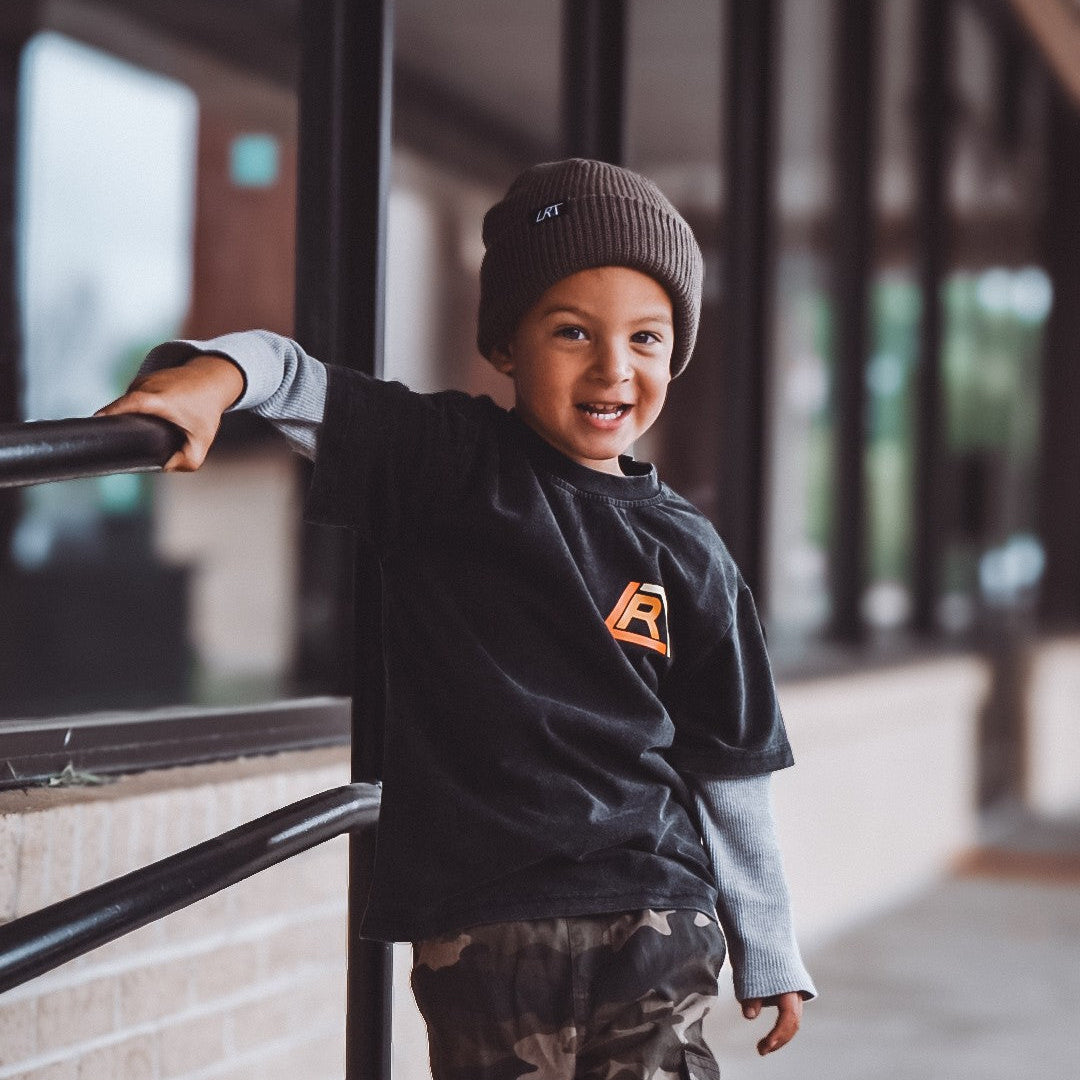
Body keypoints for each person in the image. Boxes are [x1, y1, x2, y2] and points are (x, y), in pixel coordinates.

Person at [98, 158, 815, 1080]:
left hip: (653, 909)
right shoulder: (444, 462)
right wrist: (205, 381)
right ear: (507, 345)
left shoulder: (689, 549)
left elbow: (732, 765)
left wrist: (769, 941)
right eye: (572, 332)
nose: (613, 368)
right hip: (483, 924)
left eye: (646, 338)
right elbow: (290, 374)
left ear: (674, 355)